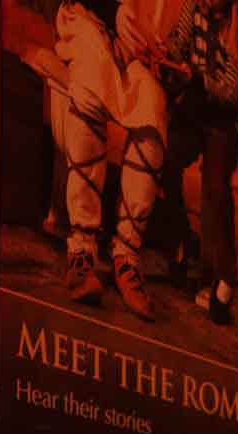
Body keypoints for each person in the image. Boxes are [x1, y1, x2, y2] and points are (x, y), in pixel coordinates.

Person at [47, 0, 168, 320]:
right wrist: (114, 9)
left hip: (127, 43)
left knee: (153, 114)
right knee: (91, 85)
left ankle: (126, 255)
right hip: (87, 19)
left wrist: (151, 46)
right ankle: (82, 248)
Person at [159, 0, 238, 324]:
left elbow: (232, 90)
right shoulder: (191, 10)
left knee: (216, 190)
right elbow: (176, 44)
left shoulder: (234, 32)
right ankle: (181, 241)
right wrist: (172, 60)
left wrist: (201, 79)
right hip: (191, 111)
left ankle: (222, 277)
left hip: (220, 122)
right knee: (165, 162)